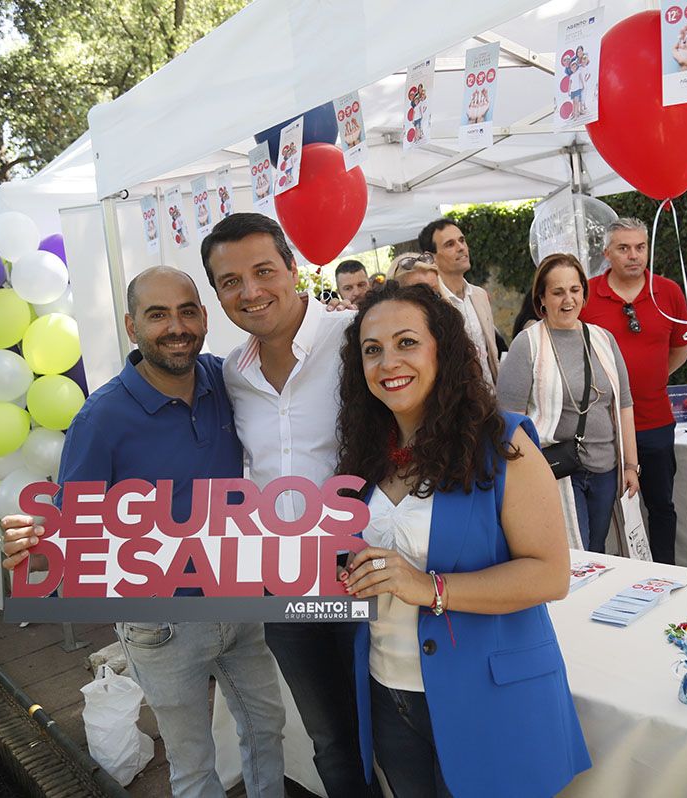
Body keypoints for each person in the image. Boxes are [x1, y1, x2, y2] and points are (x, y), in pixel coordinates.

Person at [1, 266, 286, 798]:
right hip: (161, 618)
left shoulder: (224, 381)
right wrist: (31, 547)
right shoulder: (101, 418)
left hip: (238, 596)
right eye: (157, 315)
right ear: (132, 327)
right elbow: (73, 529)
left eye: (186, 311)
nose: (174, 326)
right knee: (193, 760)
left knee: (267, 729)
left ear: (203, 317)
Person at [336, 282, 591, 797]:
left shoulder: (503, 443)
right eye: (372, 349)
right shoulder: (363, 456)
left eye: (407, 342)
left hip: (486, 696)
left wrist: (429, 588)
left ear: (442, 349)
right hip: (388, 691)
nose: (388, 362)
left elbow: (549, 573)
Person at [202, 214, 380, 797]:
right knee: (330, 737)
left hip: (372, 572)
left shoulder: (356, 339)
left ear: (293, 270)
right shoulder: (233, 373)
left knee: (397, 727)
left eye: (262, 271)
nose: (250, 292)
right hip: (289, 584)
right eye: (230, 282)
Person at [497, 254, 639, 553]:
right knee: (576, 552)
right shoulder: (528, 343)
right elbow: (509, 419)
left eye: (575, 290)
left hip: (606, 469)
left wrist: (630, 465)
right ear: (542, 299)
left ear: (584, 294)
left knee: (598, 548)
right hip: (558, 469)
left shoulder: (603, 339)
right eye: (558, 292)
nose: (568, 299)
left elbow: (624, 404)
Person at [579, 219, 687, 565]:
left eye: (640, 247)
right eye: (624, 248)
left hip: (655, 421)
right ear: (607, 253)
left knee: (661, 506)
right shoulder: (585, 293)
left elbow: (679, 351)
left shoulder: (668, 291)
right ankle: (600, 573)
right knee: (600, 511)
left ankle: (667, 574)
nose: (633, 255)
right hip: (601, 427)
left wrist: (646, 381)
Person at [418, 219, 499, 384]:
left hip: (491, 398)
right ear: (431, 258)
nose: (461, 247)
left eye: (462, 240)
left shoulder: (480, 295)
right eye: (449, 244)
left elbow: (490, 353)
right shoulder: (430, 305)